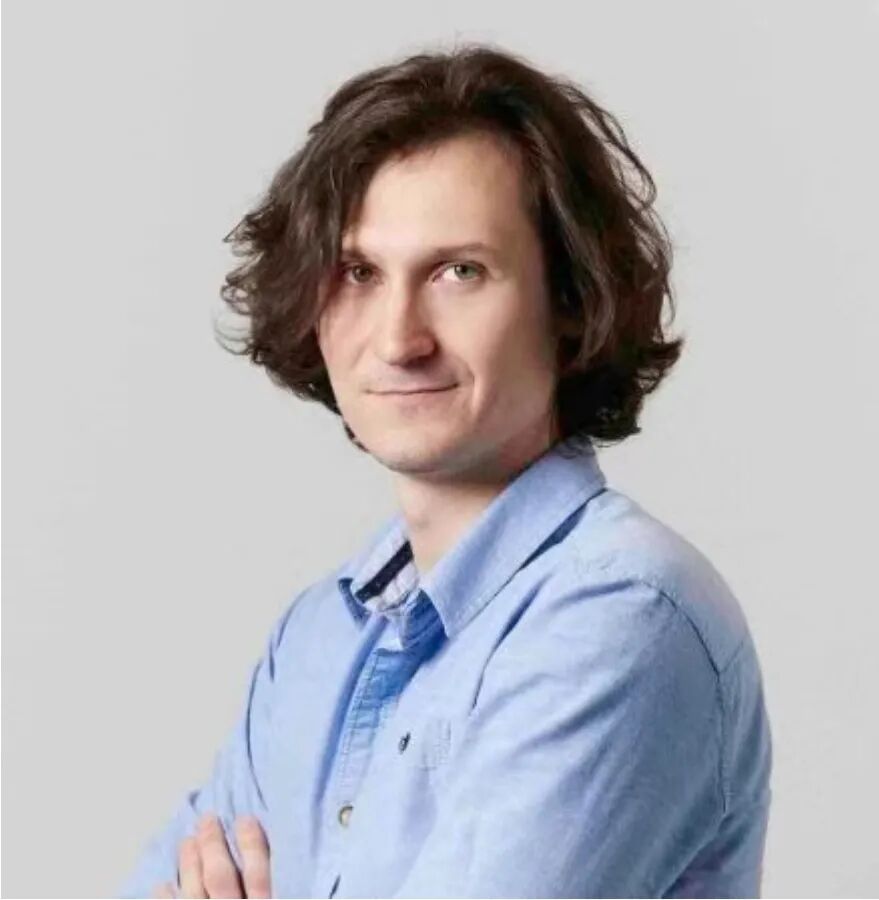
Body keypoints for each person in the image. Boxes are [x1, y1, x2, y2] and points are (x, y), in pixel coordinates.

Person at [119, 42, 772, 899]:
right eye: (358, 272)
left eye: (459, 272)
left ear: (569, 300)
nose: (398, 338)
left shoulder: (621, 616)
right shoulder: (315, 639)